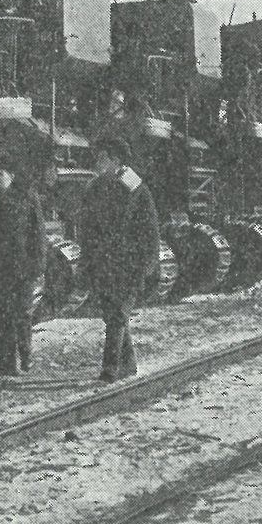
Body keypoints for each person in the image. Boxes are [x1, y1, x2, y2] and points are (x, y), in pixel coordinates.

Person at [77, 136, 159, 382]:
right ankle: (129, 363)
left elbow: (150, 232)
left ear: (116, 161)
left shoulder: (135, 189)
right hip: (103, 264)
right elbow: (87, 227)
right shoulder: (96, 187)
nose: (97, 163)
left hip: (128, 265)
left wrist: (145, 265)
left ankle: (110, 368)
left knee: (116, 315)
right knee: (113, 314)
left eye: (102, 158)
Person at [0, 153, 47, 374]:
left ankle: (26, 358)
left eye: (0, 173)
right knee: (3, 316)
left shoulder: (27, 197)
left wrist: (38, 265)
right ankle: (7, 361)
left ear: (11, 176)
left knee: (22, 314)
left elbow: (38, 233)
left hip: (23, 268)